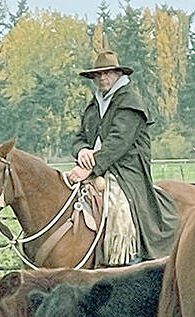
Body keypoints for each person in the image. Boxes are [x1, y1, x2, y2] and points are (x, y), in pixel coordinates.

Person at [65, 34, 179, 263]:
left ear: (118, 74)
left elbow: (118, 142)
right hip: (97, 165)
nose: (103, 78)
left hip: (127, 169)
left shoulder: (130, 102)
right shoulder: (95, 104)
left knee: (119, 206)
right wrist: (82, 151)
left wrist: (89, 168)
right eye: (99, 74)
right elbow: (79, 136)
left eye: (107, 73)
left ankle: (128, 259)